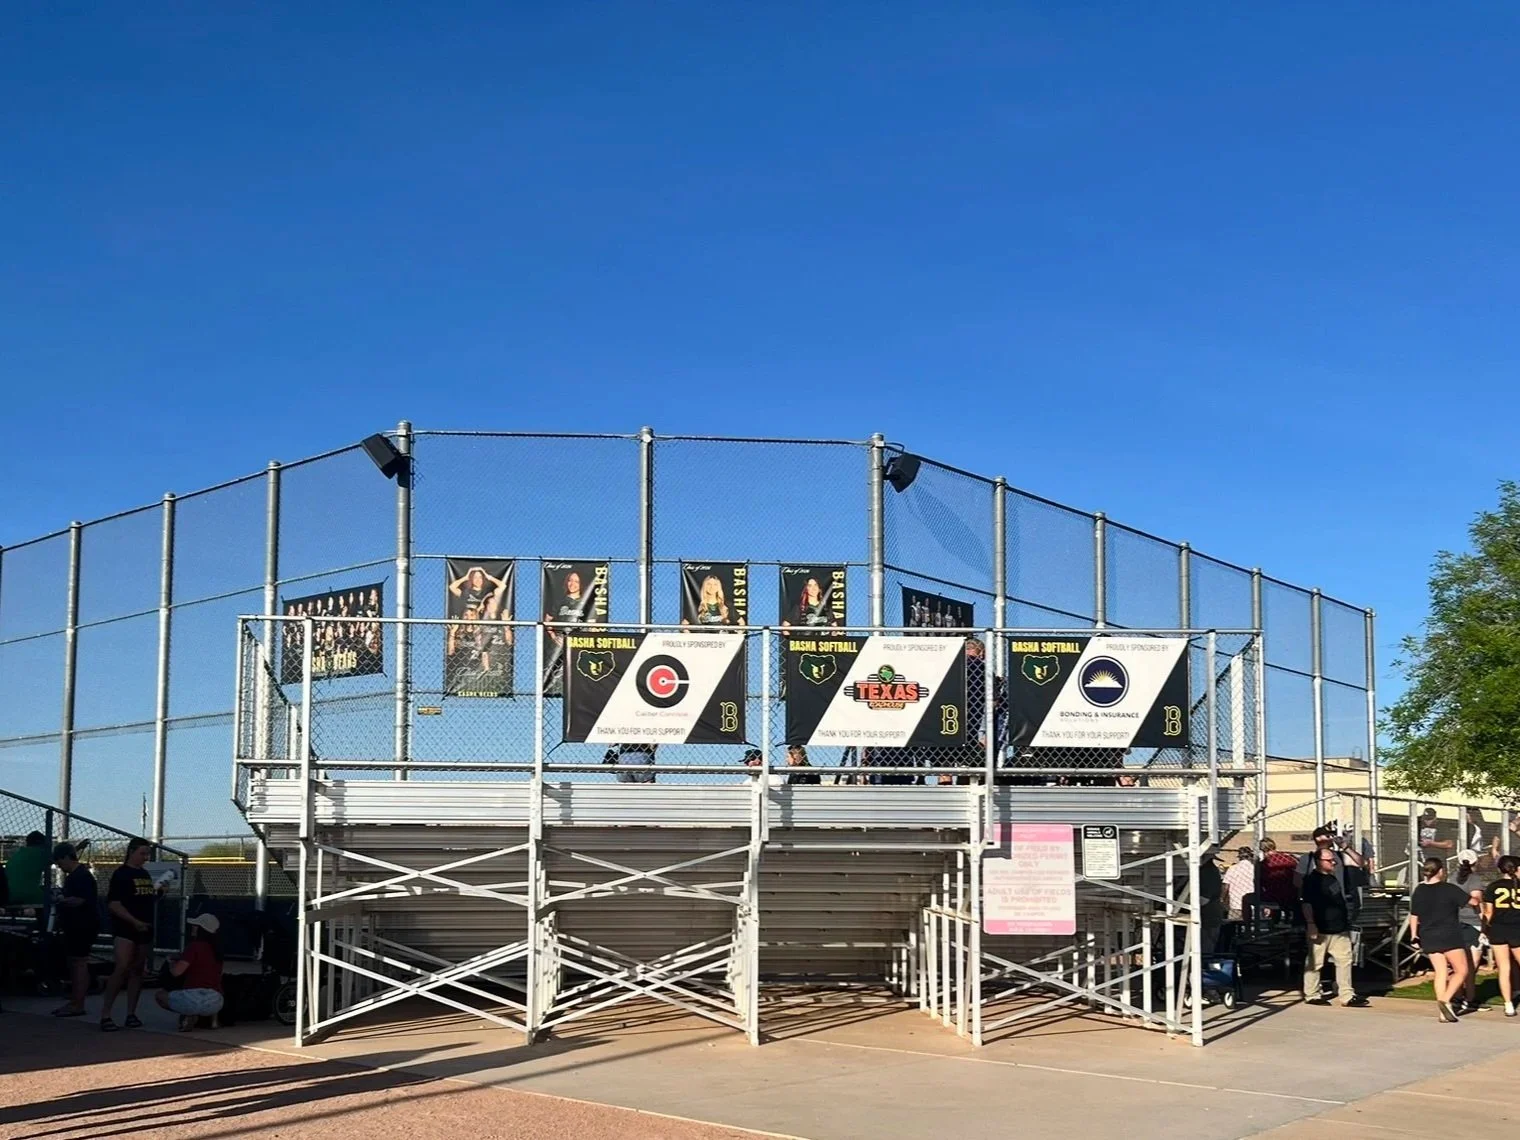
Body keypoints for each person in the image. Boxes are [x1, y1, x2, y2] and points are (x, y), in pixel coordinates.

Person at [99, 837, 161, 1032]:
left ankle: (131, 1013)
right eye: (142, 853)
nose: (145, 857)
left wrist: (158, 894)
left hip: (145, 929)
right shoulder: (121, 874)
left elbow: (145, 899)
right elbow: (114, 904)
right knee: (122, 967)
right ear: (132, 851)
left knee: (137, 970)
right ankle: (106, 1014)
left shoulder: (144, 874)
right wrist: (134, 922)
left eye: (147, 853)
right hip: (126, 929)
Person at [1411, 857, 1477, 1022]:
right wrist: (1477, 901)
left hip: (1428, 934)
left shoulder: (1419, 890)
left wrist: (1414, 934)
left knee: (1440, 972)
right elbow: (1472, 901)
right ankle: (1446, 999)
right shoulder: (1449, 889)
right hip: (1449, 934)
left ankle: (1443, 1012)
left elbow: (1414, 914)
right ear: (1440, 871)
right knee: (1462, 970)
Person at [1300, 847, 1368, 1007]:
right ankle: (1312, 994)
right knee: (1315, 963)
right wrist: (1311, 924)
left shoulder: (1333, 879)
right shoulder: (1311, 881)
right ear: (1318, 862)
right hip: (1320, 928)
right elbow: (1307, 904)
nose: (1333, 862)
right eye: (1329, 860)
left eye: (1334, 860)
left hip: (1339, 929)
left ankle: (1347, 995)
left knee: (1345, 960)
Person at [49, 843, 99, 1018]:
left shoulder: (80, 876)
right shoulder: (76, 876)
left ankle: (78, 1003)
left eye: (59, 861)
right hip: (77, 925)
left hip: (82, 925)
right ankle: (76, 1001)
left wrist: (62, 900)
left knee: (79, 963)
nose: (59, 866)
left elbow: (81, 900)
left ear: (65, 857)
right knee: (75, 963)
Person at [154, 914, 224, 1030]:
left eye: (196, 925)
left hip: (193, 997)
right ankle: (213, 1021)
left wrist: (171, 963)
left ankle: (189, 1014)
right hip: (216, 1001)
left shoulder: (194, 947)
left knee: (160, 996)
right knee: (212, 987)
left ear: (202, 929)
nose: (193, 927)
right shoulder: (218, 950)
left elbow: (177, 972)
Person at [1482, 854, 1520, 1017]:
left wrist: (1484, 930)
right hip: (1517, 928)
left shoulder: (1492, 886)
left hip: (1497, 930)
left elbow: (1488, 912)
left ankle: (1508, 1004)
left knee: (1504, 968)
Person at [1451, 849, 1488, 1013]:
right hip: (1472, 923)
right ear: (1475, 862)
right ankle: (1470, 998)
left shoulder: (1452, 878)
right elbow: (1477, 901)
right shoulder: (1474, 879)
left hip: (1455, 922)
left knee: (1459, 965)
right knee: (1471, 966)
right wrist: (1485, 924)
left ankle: (1458, 996)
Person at [1294, 826, 1365, 891]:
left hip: (1337, 899)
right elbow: (1297, 881)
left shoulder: (1338, 855)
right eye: (1328, 836)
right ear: (1318, 838)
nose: (1331, 838)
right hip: (1316, 901)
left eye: (1332, 836)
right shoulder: (1307, 858)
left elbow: (1361, 863)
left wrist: (1345, 847)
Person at [4, 831, 48, 908]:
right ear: (41, 843)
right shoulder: (40, 853)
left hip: (9, 894)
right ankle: (46, 919)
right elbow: (61, 859)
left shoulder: (17, 855)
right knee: (54, 900)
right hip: (29, 894)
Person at [1256, 838, 1299, 911]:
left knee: (1246, 898)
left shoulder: (1263, 864)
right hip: (1292, 894)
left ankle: (1248, 922)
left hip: (1273, 895)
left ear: (1262, 850)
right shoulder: (1289, 858)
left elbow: (1260, 883)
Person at [1222, 847, 1258, 922]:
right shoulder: (1254, 869)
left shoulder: (1232, 868)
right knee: (1252, 924)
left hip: (1235, 903)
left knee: (1233, 924)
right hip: (1252, 903)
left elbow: (1226, 886)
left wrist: (1222, 899)